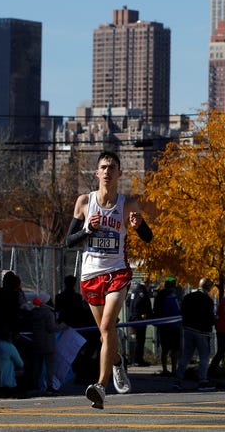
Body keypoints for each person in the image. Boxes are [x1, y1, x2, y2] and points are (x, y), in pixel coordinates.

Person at [65, 150, 153, 409]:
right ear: (96, 172)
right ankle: (117, 362)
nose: (107, 171)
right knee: (106, 336)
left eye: (111, 167)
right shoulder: (84, 202)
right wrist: (87, 229)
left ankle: (101, 386)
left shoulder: (128, 205)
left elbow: (148, 237)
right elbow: (69, 241)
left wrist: (139, 227)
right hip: (91, 274)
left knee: (106, 328)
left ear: (119, 173)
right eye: (103, 167)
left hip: (117, 272)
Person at [174, 278, 216, 391]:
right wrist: (213, 322)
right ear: (208, 287)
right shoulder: (207, 300)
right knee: (204, 356)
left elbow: (182, 312)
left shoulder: (188, 297)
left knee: (186, 356)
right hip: (202, 331)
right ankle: (202, 380)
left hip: (188, 329)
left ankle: (178, 380)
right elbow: (210, 317)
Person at [153, 277, 183, 376]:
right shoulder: (173, 297)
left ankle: (165, 369)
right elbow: (177, 310)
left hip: (163, 326)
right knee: (175, 349)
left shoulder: (159, 297)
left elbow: (156, 311)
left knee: (165, 349)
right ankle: (174, 368)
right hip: (174, 326)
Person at [127, 278, 153, 366]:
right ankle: (138, 360)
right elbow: (139, 303)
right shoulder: (142, 292)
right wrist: (142, 313)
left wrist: (132, 313)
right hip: (139, 319)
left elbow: (128, 302)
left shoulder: (134, 291)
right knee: (140, 340)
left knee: (138, 340)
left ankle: (136, 359)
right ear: (146, 284)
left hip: (133, 318)